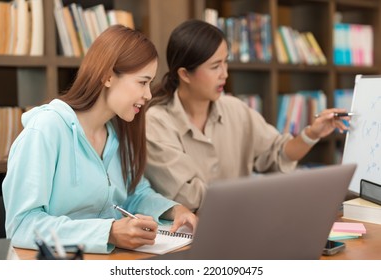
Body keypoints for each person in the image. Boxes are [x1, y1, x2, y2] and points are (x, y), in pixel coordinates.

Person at [2, 25, 197, 254]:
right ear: (107, 76)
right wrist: (109, 232)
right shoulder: (46, 130)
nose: (148, 95)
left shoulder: (119, 133)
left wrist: (176, 211)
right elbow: (22, 224)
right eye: (142, 82)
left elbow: (135, 194)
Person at [144, 19, 350, 212]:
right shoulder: (157, 122)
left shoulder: (235, 109)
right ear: (184, 74)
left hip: (239, 222)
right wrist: (255, 197)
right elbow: (187, 196)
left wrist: (313, 133)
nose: (225, 74)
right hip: (188, 233)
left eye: (225, 63)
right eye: (215, 66)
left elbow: (277, 154)